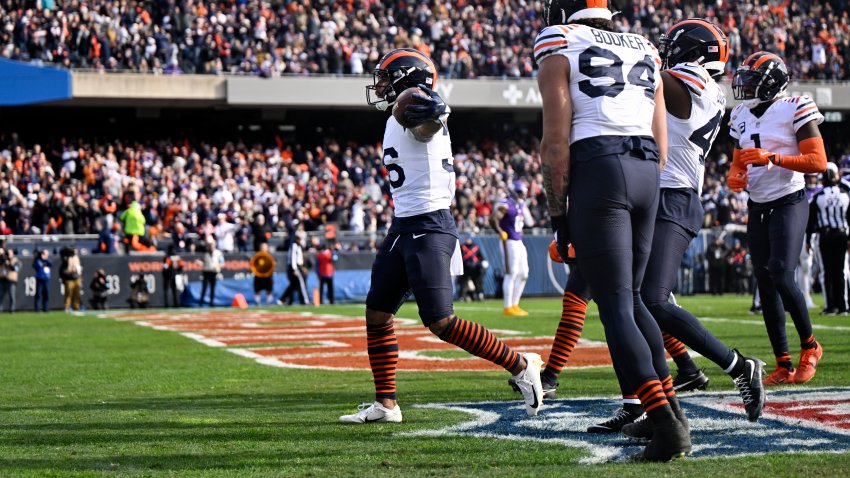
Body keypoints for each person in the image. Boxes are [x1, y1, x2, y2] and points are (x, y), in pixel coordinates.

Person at [340, 47, 544, 425]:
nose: (381, 85)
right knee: (378, 313)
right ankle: (386, 405)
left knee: (441, 322)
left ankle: (520, 364)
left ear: (405, 76)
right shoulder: (400, 108)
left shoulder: (413, 99)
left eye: (386, 77)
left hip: (429, 224)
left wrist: (433, 111)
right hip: (404, 224)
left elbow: (426, 119)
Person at [536, 0, 688, 460]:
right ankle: (672, 412)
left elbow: (555, 143)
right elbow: (662, 143)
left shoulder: (560, 42)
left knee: (617, 305)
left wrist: (559, 216)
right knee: (635, 298)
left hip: (601, 166)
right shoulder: (643, 45)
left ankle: (666, 426)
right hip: (646, 170)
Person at [728, 51, 827, 385]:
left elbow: (817, 161)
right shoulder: (740, 113)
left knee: (782, 274)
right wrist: (735, 176)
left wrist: (775, 158)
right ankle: (783, 363)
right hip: (757, 204)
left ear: (772, 84)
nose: (744, 87)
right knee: (765, 284)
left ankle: (810, 347)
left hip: (789, 200)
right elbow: (737, 162)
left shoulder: (795, 106)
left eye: (752, 81)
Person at [809, 162, 850, 315]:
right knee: (841, 271)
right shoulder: (844, 194)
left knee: (827, 272)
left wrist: (807, 240)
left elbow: (811, 221)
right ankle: (843, 306)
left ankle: (830, 306)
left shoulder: (818, 197)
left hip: (825, 236)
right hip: (841, 235)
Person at [489, 181, 530, 316]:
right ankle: (507, 306)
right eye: (520, 192)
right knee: (511, 273)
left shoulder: (520, 205)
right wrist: (500, 231)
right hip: (509, 241)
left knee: (524, 273)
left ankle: (515, 304)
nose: (522, 195)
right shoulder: (506, 205)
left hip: (519, 241)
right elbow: (492, 219)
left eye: (523, 192)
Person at [279, 235, 308, 305]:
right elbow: (293, 258)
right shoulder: (294, 246)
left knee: (293, 285)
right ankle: (305, 301)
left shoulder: (298, 247)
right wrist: (294, 269)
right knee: (301, 284)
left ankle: (282, 299)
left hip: (297, 267)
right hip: (295, 267)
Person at [458, 234, 486, 301]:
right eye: (466, 238)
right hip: (465, 267)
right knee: (463, 282)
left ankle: (480, 295)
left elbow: (481, 257)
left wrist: (482, 262)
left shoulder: (476, 246)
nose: (468, 240)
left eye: (469, 238)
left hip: (475, 268)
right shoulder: (462, 246)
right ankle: (462, 296)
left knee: (477, 281)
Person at [198, 239, 223, 307]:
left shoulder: (218, 253)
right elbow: (202, 262)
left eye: (212, 245)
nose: (211, 246)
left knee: (212, 288)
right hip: (206, 272)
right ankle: (201, 302)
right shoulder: (205, 253)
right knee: (204, 287)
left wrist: (218, 266)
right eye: (210, 245)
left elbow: (222, 262)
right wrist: (200, 263)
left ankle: (211, 302)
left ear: (214, 245)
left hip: (213, 272)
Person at [59, 246, 83, 312]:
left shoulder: (76, 258)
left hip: (76, 277)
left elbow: (79, 269)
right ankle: (67, 306)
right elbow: (64, 269)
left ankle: (76, 306)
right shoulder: (66, 258)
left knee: (77, 294)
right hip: (69, 278)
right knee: (69, 294)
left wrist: (80, 277)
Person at [0, 248, 20, 313]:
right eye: (7, 253)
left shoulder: (16, 261)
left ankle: (12, 309)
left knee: (12, 295)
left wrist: (10, 263)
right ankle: (0, 308)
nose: (8, 255)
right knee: (1, 295)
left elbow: (16, 269)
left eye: (10, 253)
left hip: (11, 280)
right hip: (3, 279)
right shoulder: (3, 259)